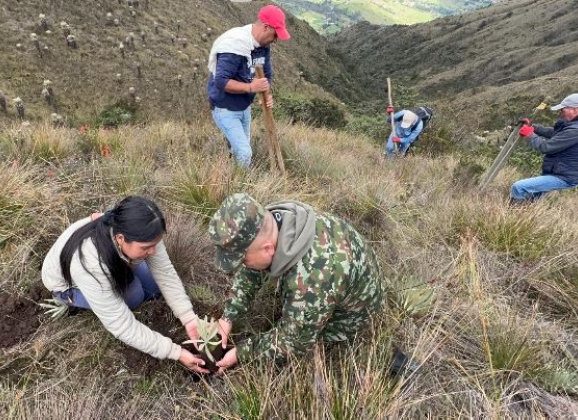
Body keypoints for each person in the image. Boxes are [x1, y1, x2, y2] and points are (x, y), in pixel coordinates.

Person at [207, 193, 384, 373]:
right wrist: (227, 318)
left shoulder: (311, 280)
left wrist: (241, 353)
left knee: (305, 341)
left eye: (243, 260)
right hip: (343, 277)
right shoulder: (278, 222)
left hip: (355, 314)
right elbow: (252, 270)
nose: (242, 266)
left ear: (268, 249)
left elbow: (293, 342)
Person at [41, 196, 209, 374]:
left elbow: (165, 273)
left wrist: (189, 318)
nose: (152, 251)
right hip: (67, 285)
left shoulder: (144, 231)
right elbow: (121, 325)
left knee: (153, 287)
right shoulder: (88, 262)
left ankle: (124, 273)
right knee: (134, 295)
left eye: (155, 245)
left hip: (115, 262)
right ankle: (69, 303)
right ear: (121, 238)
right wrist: (175, 352)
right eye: (146, 248)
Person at [206, 5, 290, 167]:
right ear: (266, 27)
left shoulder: (262, 47)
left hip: (244, 107)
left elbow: (266, 75)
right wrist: (252, 87)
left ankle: (228, 176)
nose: (275, 40)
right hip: (225, 108)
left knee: (238, 150)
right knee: (245, 152)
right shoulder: (235, 44)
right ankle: (240, 188)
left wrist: (267, 95)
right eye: (275, 35)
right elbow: (222, 81)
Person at [511, 93, 578, 202]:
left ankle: (511, 215)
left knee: (519, 187)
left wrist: (530, 134)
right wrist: (533, 128)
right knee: (531, 198)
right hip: (563, 172)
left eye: (563, 109)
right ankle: (524, 214)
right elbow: (558, 134)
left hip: (565, 176)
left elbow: (545, 147)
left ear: (575, 109)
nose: (560, 113)